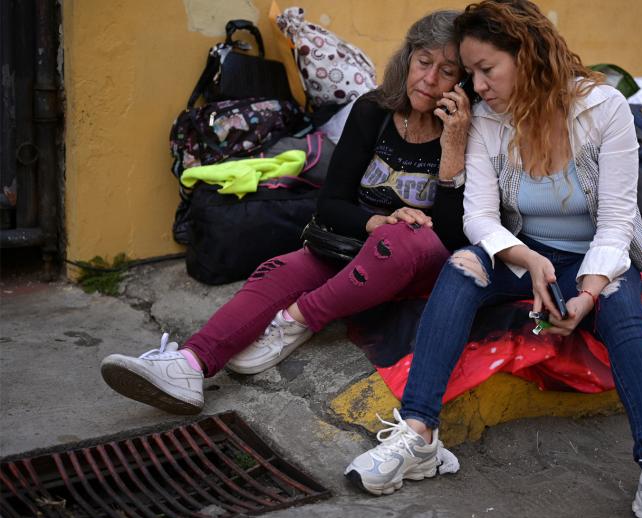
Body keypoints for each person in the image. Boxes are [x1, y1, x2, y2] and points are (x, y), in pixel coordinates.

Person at [344, 2, 642, 518]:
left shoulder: (603, 110)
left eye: (486, 69)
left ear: (525, 54)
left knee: (625, 312)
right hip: (522, 248)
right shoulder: (487, 118)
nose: (476, 85)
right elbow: (480, 216)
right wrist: (524, 256)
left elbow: (619, 221)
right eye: (473, 72)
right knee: (461, 267)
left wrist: (588, 292)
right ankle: (419, 436)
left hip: (596, 256)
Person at [100, 10, 473, 416]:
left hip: (414, 263)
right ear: (408, 59)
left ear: (462, 82)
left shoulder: (468, 132)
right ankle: (188, 365)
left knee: (401, 238)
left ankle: (296, 320)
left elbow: (456, 236)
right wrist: (374, 222)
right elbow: (330, 205)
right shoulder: (374, 111)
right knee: (280, 269)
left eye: (447, 71)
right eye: (423, 62)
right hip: (356, 249)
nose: (430, 79)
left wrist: (453, 149)